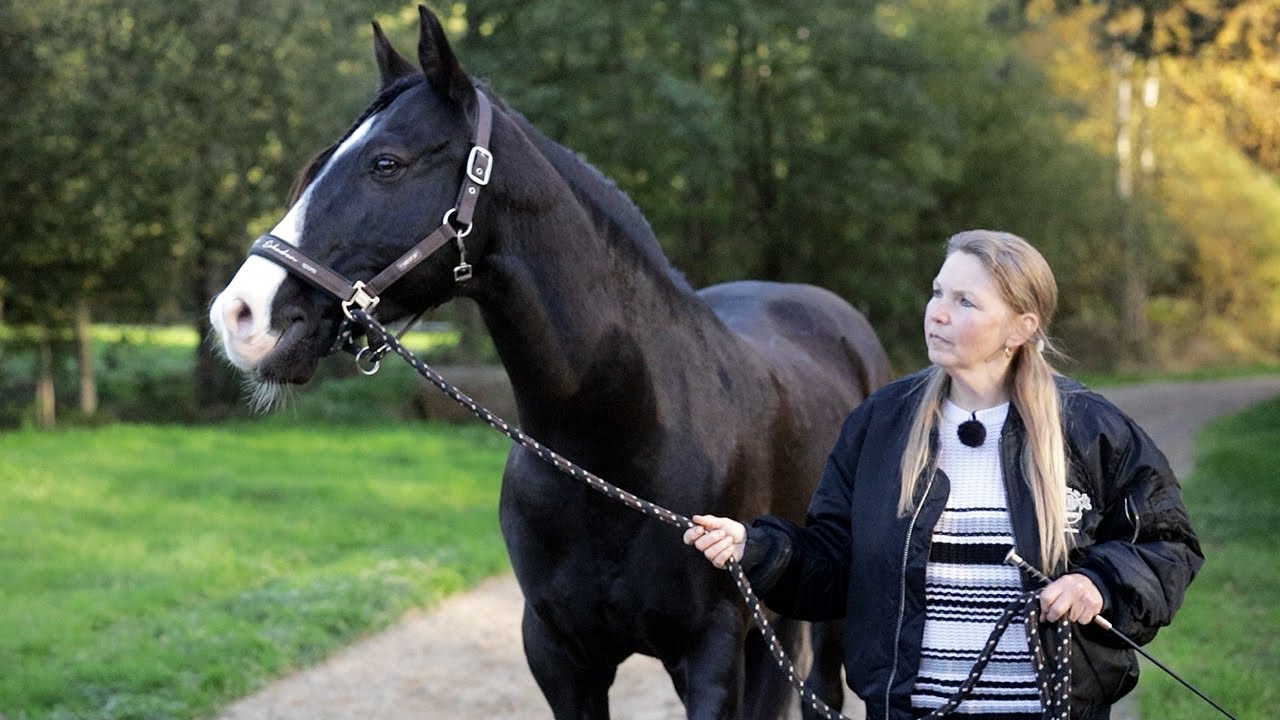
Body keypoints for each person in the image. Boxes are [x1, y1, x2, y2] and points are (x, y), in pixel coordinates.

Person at [684, 230, 1203, 720]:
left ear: (1021, 327)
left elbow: (1167, 543)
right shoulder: (882, 424)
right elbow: (837, 561)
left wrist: (1097, 583)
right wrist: (756, 547)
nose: (937, 314)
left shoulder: (1090, 428)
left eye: (965, 302)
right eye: (937, 293)